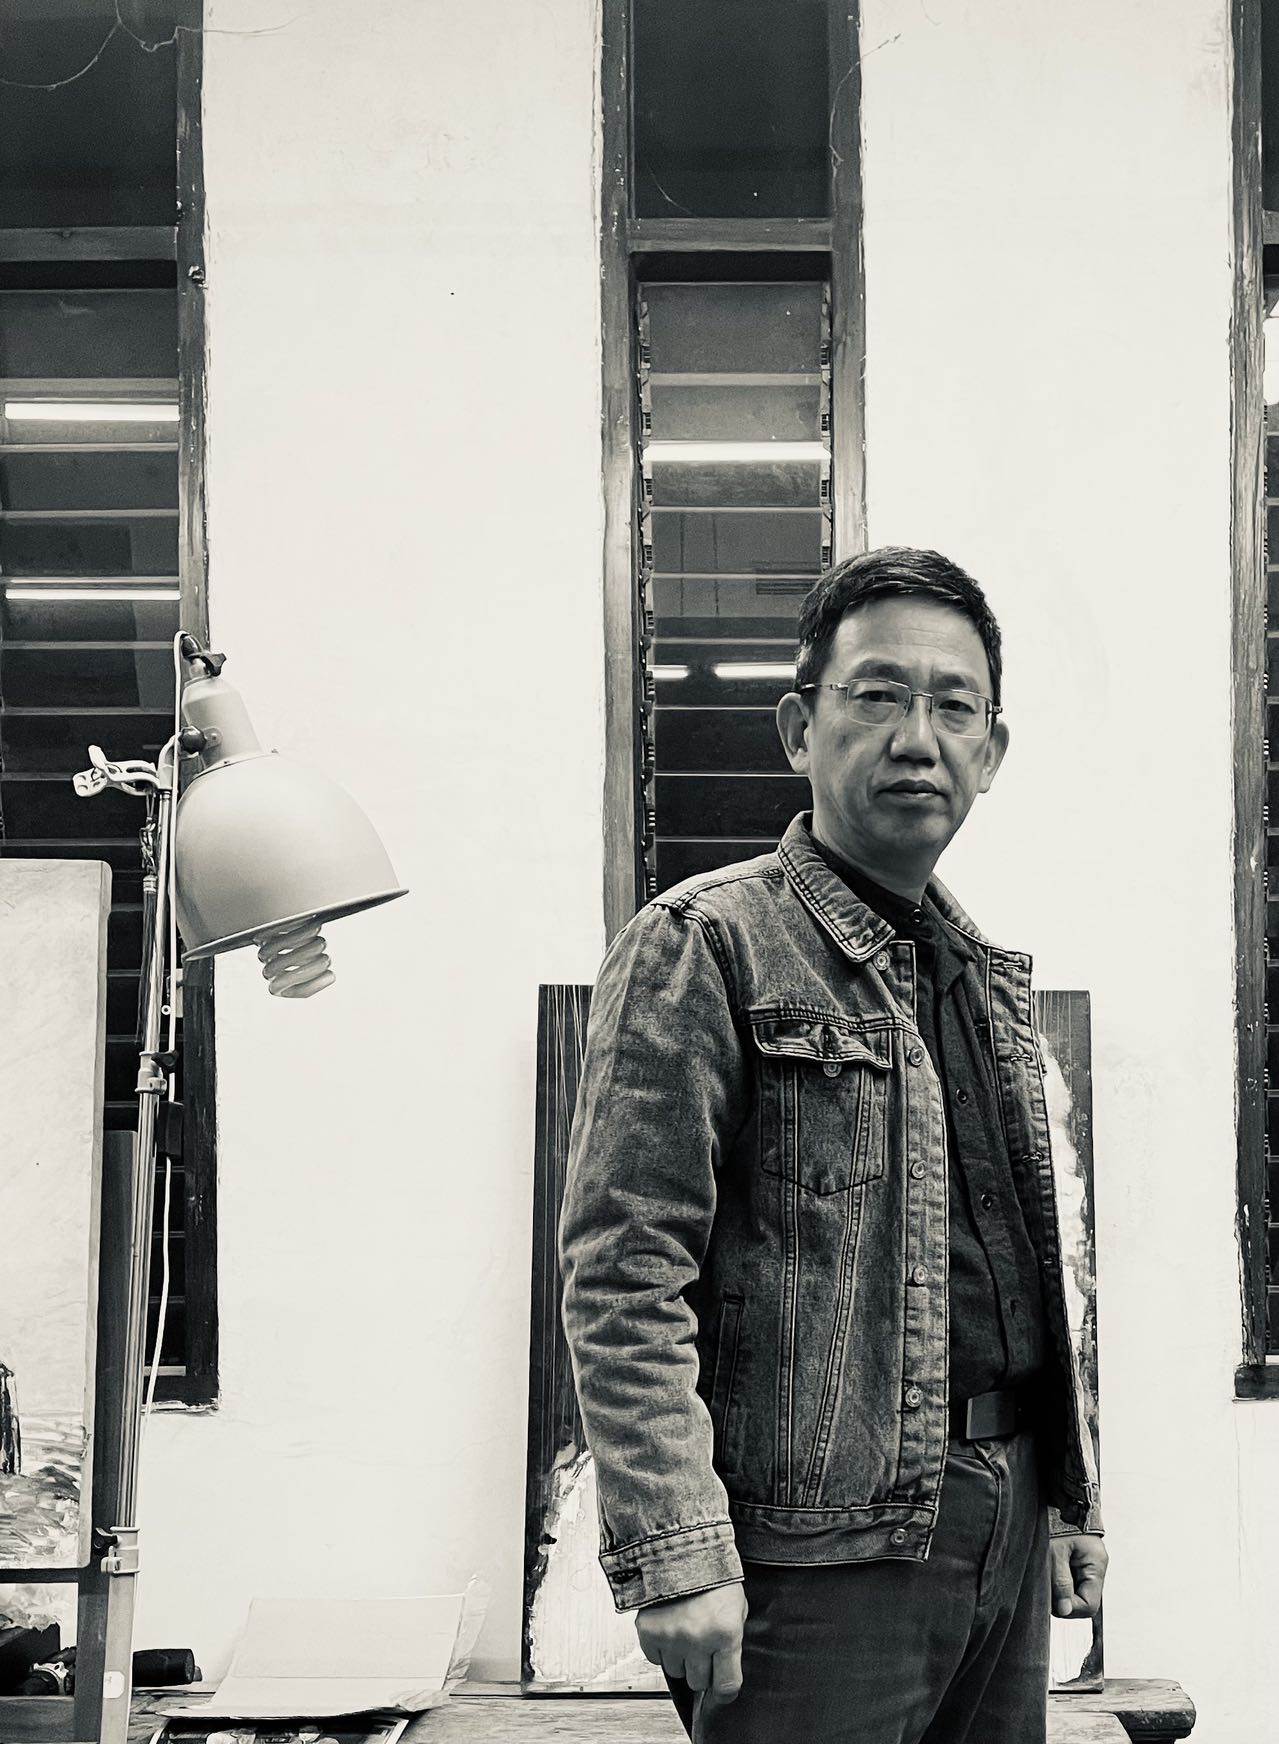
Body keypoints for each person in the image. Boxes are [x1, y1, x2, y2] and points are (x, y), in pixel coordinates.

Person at [558, 547, 1106, 1744]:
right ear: (799, 729)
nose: (918, 738)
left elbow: (1019, 1275)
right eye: (878, 695)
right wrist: (676, 1552)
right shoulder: (704, 943)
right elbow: (623, 1273)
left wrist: (1068, 1502)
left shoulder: (983, 980)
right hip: (819, 1552)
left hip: (1002, 1519)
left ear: (990, 751)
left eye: (953, 706)